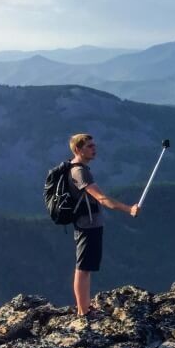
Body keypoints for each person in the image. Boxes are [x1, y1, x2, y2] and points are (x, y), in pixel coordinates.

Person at [66, 134, 139, 320]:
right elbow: (101, 198)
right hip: (87, 225)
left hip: (89, 223)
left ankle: (85, 307)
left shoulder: (79, 169)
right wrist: (128, 209)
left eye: (94, 145)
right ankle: (84, 311)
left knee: (86, 266)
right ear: (78, 150)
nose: (94, 149)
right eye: (89, 146)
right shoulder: (80, 172)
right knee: (83, 267)